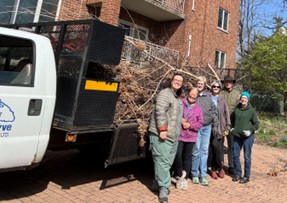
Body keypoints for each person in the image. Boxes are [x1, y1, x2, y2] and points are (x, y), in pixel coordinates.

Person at [148, 73, 184, 203]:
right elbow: (160, 112)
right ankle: (164, 189)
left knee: (166, 162)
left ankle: (157, 183)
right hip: (161, 134)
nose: (178, 82)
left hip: (172, 136)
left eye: (180, 81)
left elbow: (174, 116)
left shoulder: (176, 97)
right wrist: (162, 129)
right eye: (176, 80)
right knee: (162, 161)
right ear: (171, 81)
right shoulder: (165, 93)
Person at [174, 87, 204, 190]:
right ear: (188, 93)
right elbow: (174, 113)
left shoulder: (198, 109)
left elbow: (200, 123)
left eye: (195, 94)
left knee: (187, 158)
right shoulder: (181, 103)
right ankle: (178, 175)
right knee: (177, 154)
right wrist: (181, 120)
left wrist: (190, 125)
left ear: (197, 96)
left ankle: (185, 178)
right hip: (180, 135)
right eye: (191, 93)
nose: (192, 95)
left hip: (191, 137)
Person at [191, 76, 218, 186]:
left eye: (202, 83)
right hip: (197, 127)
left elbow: (214, 111)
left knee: (204, 151)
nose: (200, 85)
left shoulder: (208, 97)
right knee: (196, 150)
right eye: (198, 83)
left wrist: (215, 124)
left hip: (207, 127)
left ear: (205, 84)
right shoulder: (193, 94)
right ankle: (194, 174)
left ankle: (203, 174)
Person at [230, 91, 259, 184]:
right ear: (240, 99)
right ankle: (238, 173)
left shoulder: (251, 111)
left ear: (248, 100)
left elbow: (256, 124)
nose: (243, 100)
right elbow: (232, 119)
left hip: (247, 137)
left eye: (245, 98)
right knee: (235, 155)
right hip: (237, 136)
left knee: (247, 157)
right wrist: (232, 128)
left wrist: (250, 130)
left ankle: (246, 176)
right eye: (242, 98)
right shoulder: (237, 109)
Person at [208, 80, 231, 179]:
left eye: (217, 87)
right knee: (211, 149)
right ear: (211, 87)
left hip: (220, 127)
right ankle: (213, 169)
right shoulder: (207, 97)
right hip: (209, 126)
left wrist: (228, 126)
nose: (216, 88)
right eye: (214, 87)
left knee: (218, 148)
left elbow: (227, 113)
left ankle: (220, 168)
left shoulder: (222, 99)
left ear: (219, 88)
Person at [220, 75, 240, 174]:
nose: (228, 83)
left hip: (232, 123)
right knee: (219, 144)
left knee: (231, 145)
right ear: (224, 82)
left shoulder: (237, 94)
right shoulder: (220, 93)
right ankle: (220, 164)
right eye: (226, 81)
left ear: (232, 83)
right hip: (221, 122)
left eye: (230, 81)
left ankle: (231, 165)